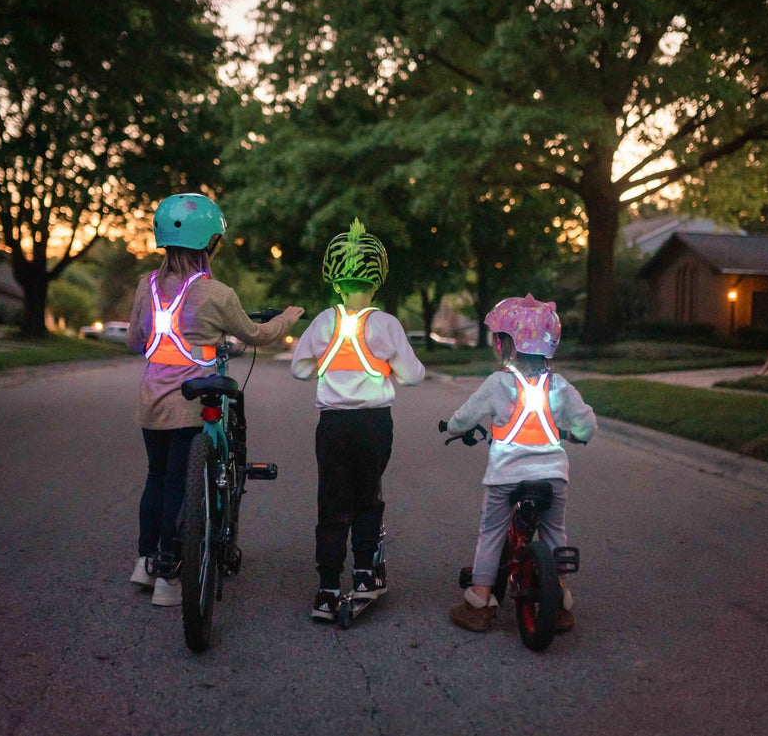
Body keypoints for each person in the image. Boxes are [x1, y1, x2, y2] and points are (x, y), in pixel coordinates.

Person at [126, 193, 304, 607]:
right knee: (176, 483)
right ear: (209, 242)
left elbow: (136, 339)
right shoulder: (217, 294)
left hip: (151, 401)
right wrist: (286, 318)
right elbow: (256, 335)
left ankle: (145, 562)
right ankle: (170, 576)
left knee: (156, 477)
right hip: (190, 403)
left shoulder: (145, 286)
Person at [290, 218, 426, 621]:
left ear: (335, 281)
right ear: (377, 280)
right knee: (368, 499)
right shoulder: (385, 325)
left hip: (332, 425)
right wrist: (388, 368)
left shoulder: (322, 323)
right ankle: (365, 574)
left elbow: (299, 370)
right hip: (373, 425)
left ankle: (327, 589)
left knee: (331, 502)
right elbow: (413, 376)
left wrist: (326, 366)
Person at [442, 294, 596, 634]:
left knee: (491, 533)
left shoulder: (498, 383)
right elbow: (587, 425)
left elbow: (463, 418)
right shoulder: (560, 386)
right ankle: (563, 603)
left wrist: (452, 427)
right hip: (553, 475)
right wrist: (575, 434)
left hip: (506, 476)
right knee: (555, 531)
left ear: (505, 344)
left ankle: (478, 603)